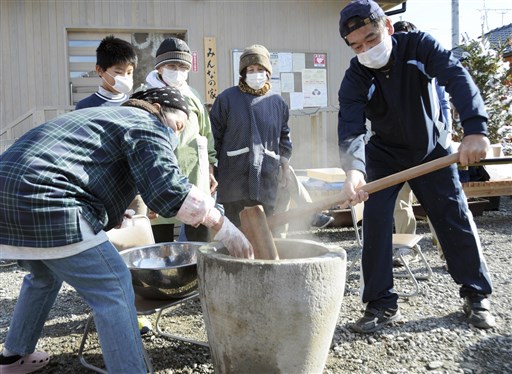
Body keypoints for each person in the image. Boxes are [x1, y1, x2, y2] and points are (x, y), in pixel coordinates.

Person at [0, 87, 252, 374]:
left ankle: (13, 357)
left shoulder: (106, 119)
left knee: (44, 276)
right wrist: (223, 225)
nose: (176, 136)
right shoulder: (144, 121)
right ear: (156, 106)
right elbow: (169, 188)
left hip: (5, 195)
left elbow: (82, 171)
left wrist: (112, 211)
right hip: (48, 199)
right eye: (178, 126)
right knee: (114, 285)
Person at [337, 0, 495, 333]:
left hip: (431, 151)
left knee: (452, 216)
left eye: (371, 38)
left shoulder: (419, 46)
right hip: (384, 154)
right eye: (357, 46)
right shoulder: (355, 76)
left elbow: (456, 77)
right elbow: (351, 127)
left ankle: (475, 294)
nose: (366, 49)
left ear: (388, 28)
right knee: (376, 222)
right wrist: (354, 170)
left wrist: (476, 129)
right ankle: (380, 303)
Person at [141, 37, 218, 243]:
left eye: (183, 66)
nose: (178, 71)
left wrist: (210, 168)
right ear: (159, 68)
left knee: (198, 233)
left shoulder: (192, 95)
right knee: (160, 236)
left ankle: (196, 274)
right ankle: (163, 274)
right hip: (160, 174)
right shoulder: (145, 95)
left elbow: (206, 134)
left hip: (195, 174)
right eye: (172, 66)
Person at [210, 44, 293, 227]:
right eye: (251, 69)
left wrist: (285, 166)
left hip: (267, 176)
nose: (256, 73)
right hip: (234, 177)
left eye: (260, 69)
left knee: (265, 233)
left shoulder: (277, 103)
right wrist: (210, 170)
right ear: (243, 73)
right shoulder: (227, 99)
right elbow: (213, 138)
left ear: (268, 72)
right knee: (238, 233)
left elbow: (284, 138)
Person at [75, 35, 137, 109]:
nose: (125, 77)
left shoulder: (134, 105)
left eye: (129, 73)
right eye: (118, 72)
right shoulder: (86, 106)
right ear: (100, 70)